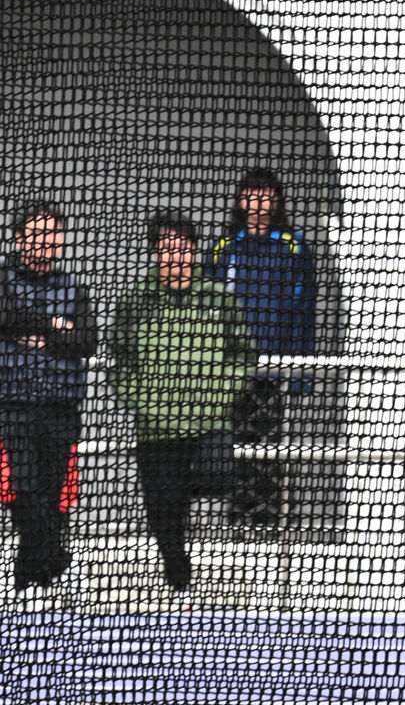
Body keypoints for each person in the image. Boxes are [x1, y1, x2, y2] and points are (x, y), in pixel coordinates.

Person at [108, 212, 256, 591]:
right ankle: (178, 579)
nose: (176, 255)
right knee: (163, 515)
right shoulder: (135, 302)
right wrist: (142, 400)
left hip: (210, 421)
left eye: (183, 247)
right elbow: (119, 360)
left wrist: (222, 394)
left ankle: (178, 497)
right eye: (166, 247)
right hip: (156, 427)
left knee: (219, 477)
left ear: (194, 250)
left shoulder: (220, 298)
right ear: (155, 252)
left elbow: (243, 354)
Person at [206, 167, 316, 524]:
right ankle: (237, 519)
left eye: (266, 194)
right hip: (229, 370)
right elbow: (207, 308)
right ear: (240, 201)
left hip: (274, 369)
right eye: (251, 194)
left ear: (277, 201)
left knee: (268, 448)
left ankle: (267, 522)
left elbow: (303, 309)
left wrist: (301, 372)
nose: (258, 202)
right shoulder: (224, 247)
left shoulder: (293, 246)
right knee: (232, 446)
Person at [0, 202, 97, 594]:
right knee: (22, 489)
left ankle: (29, 581)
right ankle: (54, 562)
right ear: (19, 238)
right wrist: (56, 325)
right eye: (38, 232)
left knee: (53, 494)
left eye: (54, 232)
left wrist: (41, 334)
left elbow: (87, 341)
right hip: (12, 404)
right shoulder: (2, 278)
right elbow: (5, 317)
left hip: (60, 406)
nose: (47, 240)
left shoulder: (74, 288)